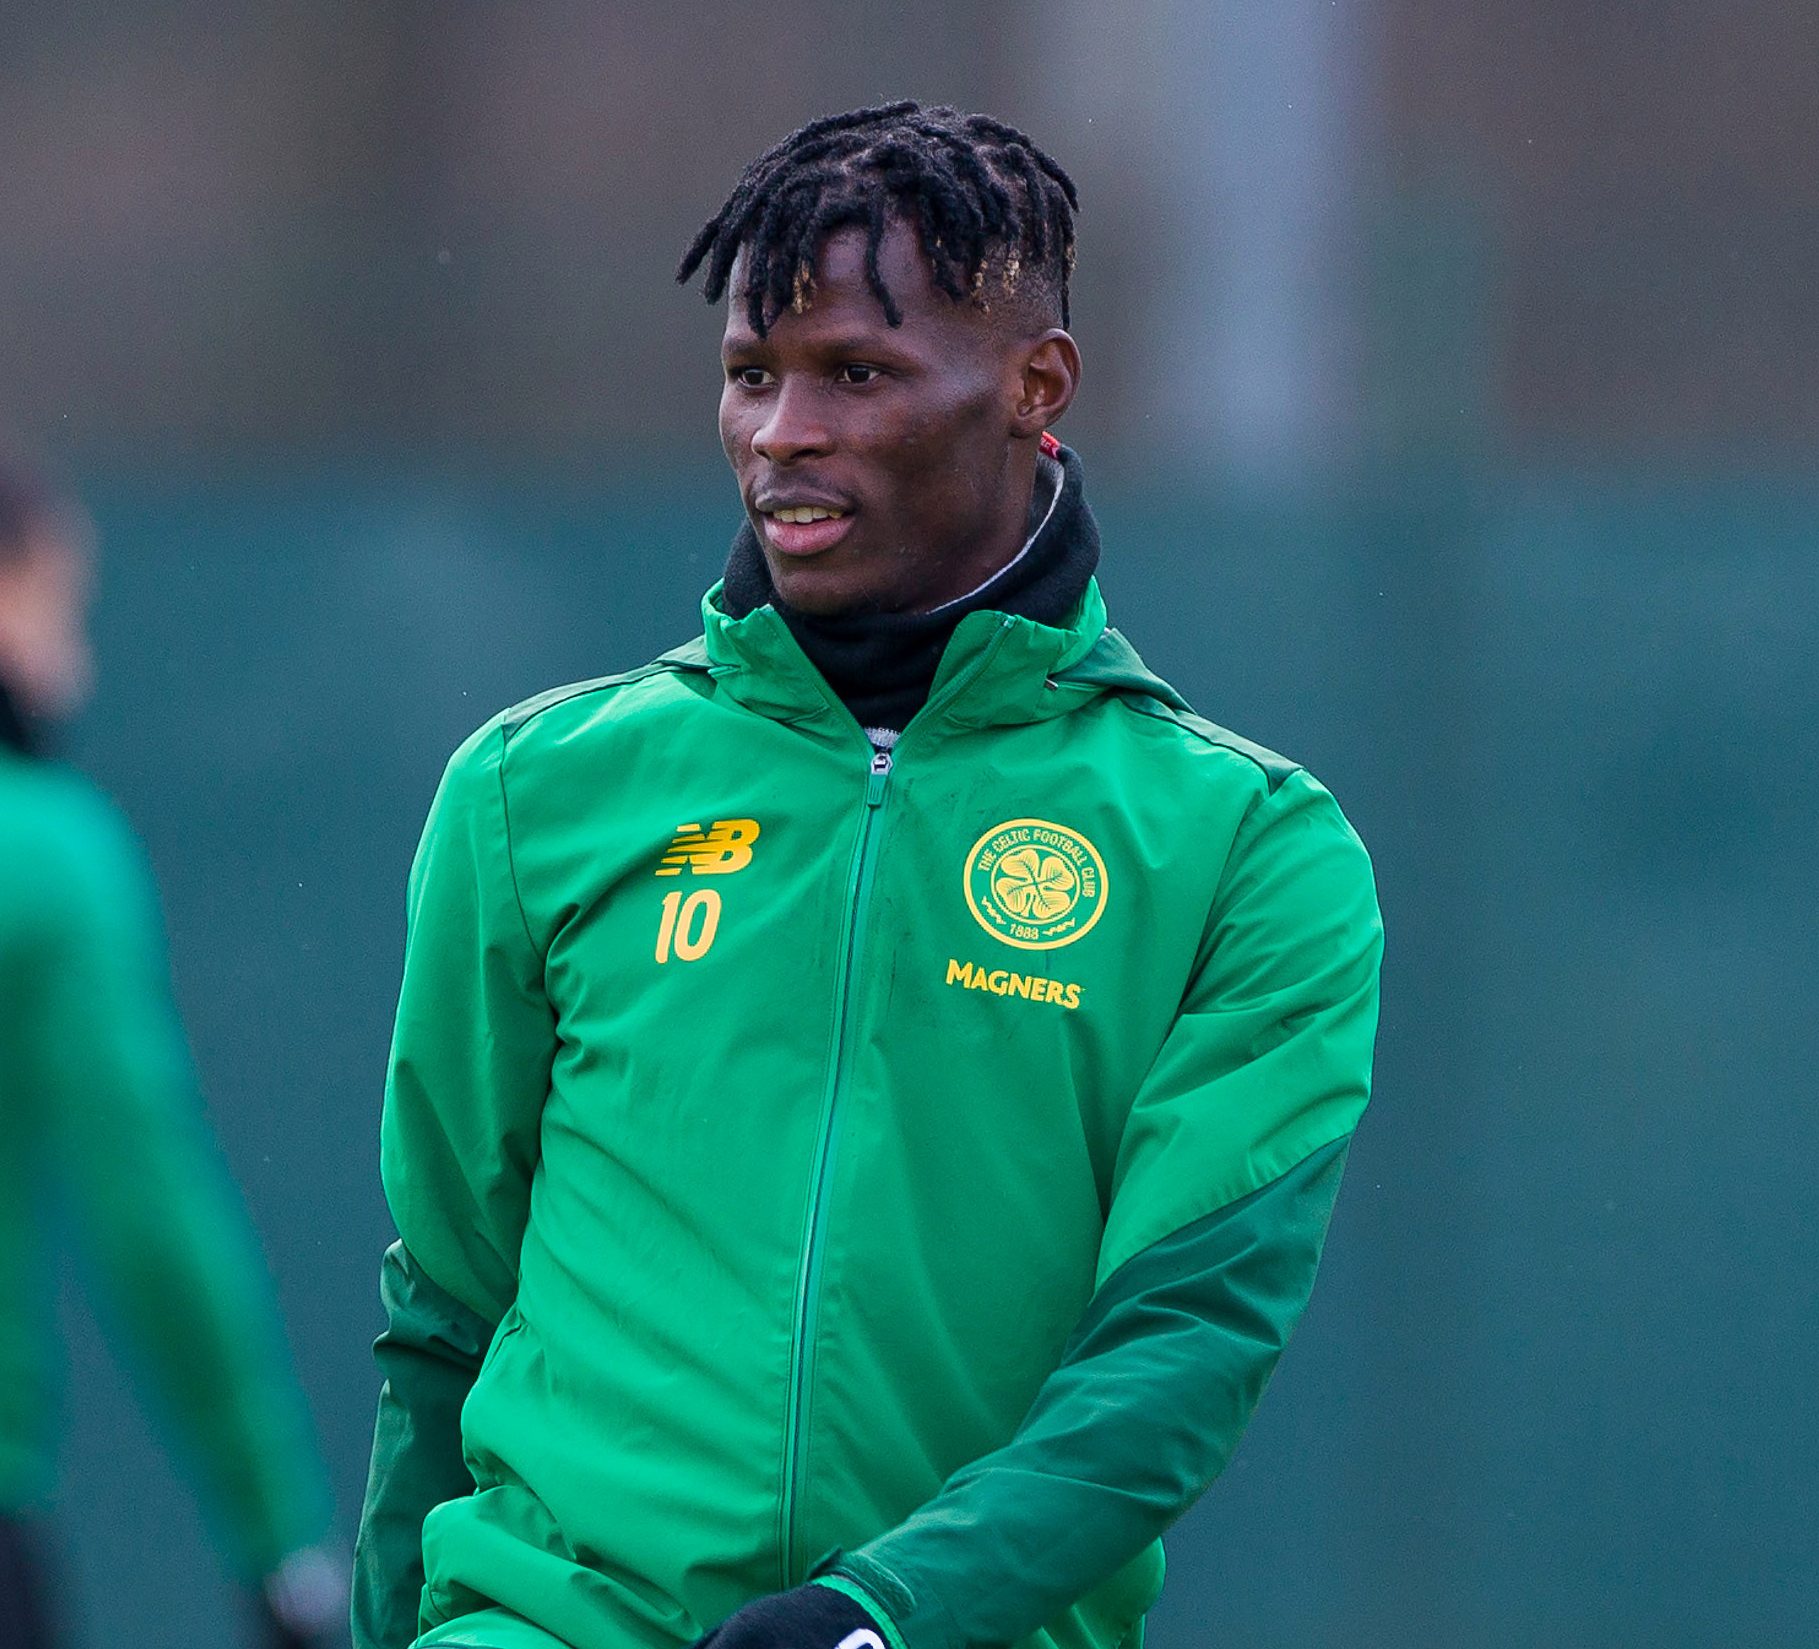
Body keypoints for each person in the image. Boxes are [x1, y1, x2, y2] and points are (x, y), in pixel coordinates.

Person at [353, 102, 1383, 1649]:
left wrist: (883, 1613)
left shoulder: (1245, 850)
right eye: (749, 373)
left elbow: (1181, 1345)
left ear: (1036, 387)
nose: (780, 431)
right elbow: (443, 1306)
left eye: (855, 373)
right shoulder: (532, 790)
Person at [0, 463, 341, 1649]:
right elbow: (151, 1217)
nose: (75, 663)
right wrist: (278, 1538)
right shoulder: (46, 856)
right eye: (58, 608)